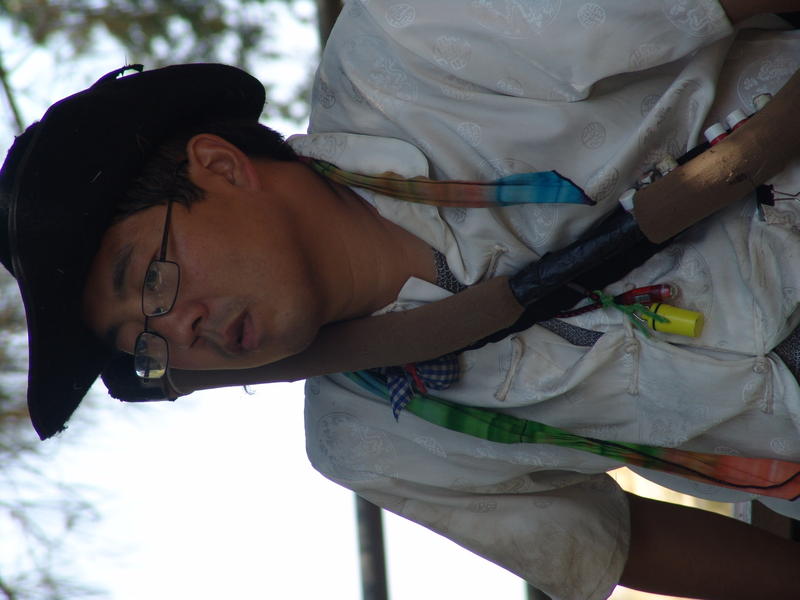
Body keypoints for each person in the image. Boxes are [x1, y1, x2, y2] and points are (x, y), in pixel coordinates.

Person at [3, 1, 800, 598]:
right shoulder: (363, 439)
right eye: (146, 344)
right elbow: (623, 541)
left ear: (218, 165)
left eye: (150, 279)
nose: (182, 329)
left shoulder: (410, 49)